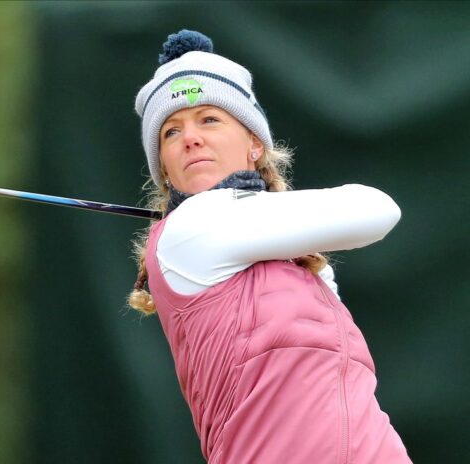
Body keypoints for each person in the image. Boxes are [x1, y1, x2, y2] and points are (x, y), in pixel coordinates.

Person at [128, 30, 412, 464]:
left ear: (254, 143)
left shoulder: (297, 264)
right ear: (165, 168)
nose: (190, 138)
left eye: (209, 119)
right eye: (171, 132)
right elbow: (377, 209)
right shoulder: (193, 226)